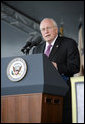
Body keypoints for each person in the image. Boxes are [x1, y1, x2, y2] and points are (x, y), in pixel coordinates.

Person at [32, 18, 80, 123]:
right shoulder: (36, 49)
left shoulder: (68, 43)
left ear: (56, 29)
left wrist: (57, 66)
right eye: (43, 29)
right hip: (42, 95)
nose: (46, 31)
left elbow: (75, 67)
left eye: (48, 28)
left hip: (63, 95)